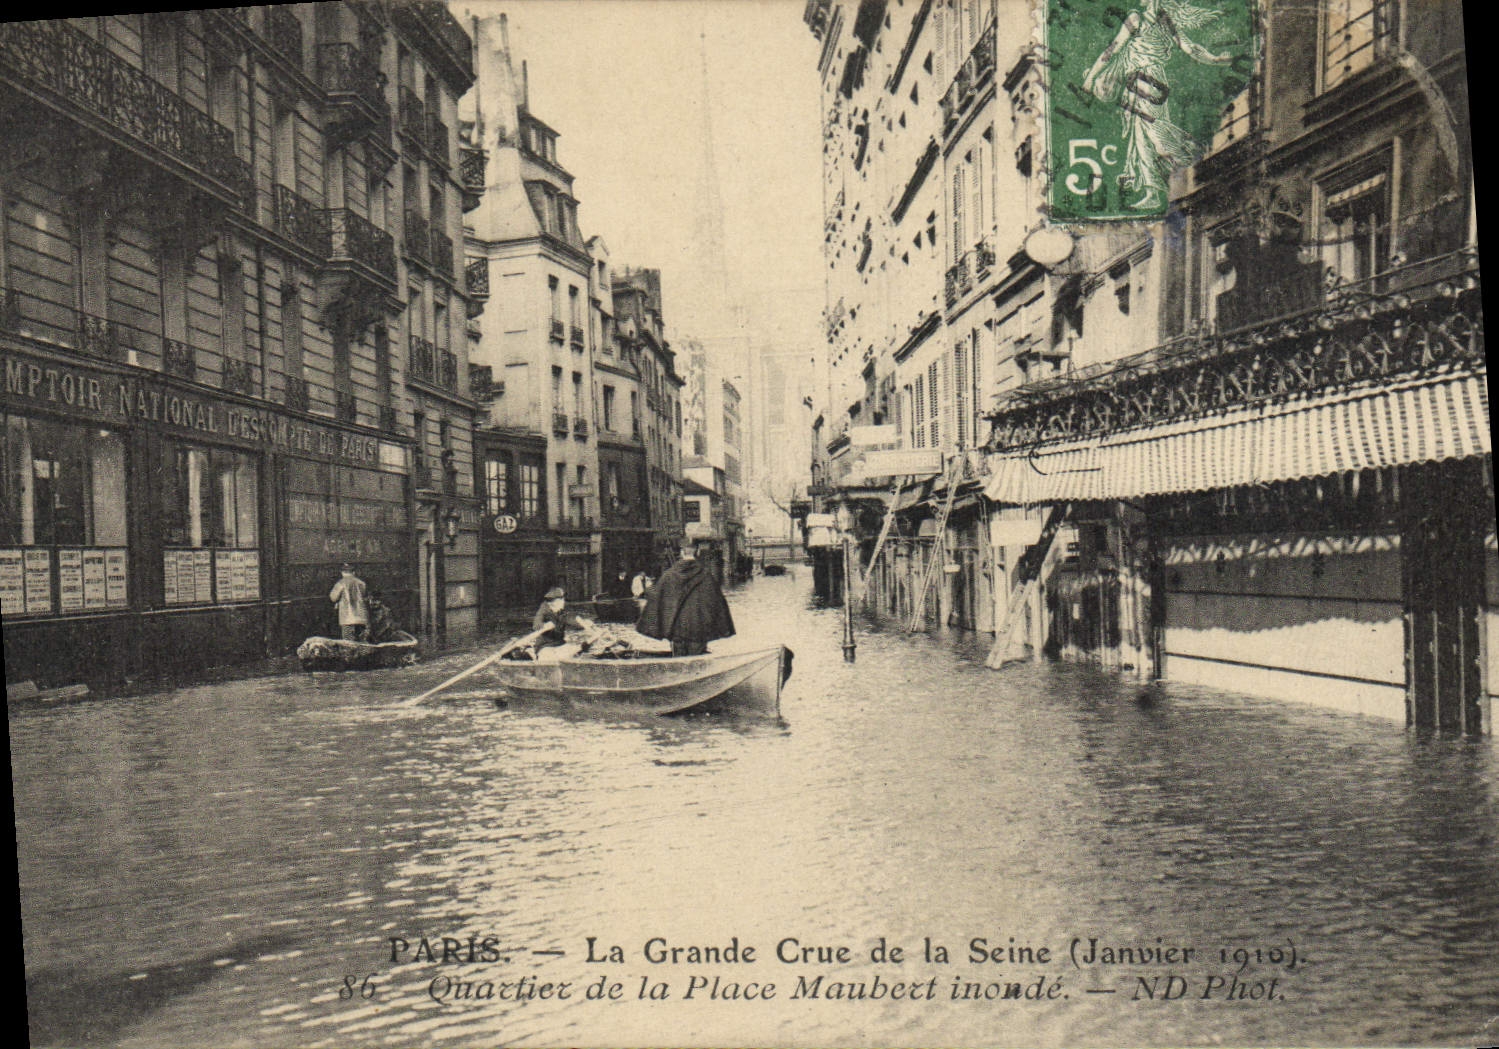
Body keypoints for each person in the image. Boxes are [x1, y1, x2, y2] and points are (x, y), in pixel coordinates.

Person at [1081, 0, 1232, 211]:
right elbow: (1113, 49)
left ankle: (1175, 161)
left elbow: (1113, 50)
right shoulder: (1154, 20)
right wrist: (1215, 59)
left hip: (1147, 79)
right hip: (1143, 80)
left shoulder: (1147, 20)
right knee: (1142, 130)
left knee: (1147, 130)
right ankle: (1159, 180)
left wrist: (1215, 59)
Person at [635, 542, 735, 656]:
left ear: (682, 553)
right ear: (697, 552)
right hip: (699, 630)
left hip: (677, 630)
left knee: (678, 658)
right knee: (698, 659)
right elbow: (717, 603)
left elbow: (657, 600)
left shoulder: (669, 575)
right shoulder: (707, 576)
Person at [329, 564, 368, 641]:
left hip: (347, 619)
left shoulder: (340, 583)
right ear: (353, 572)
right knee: (361, 642)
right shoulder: (362, 583)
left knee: (348, 643)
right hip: (361, 618)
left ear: (342, 573)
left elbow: (333, 598)